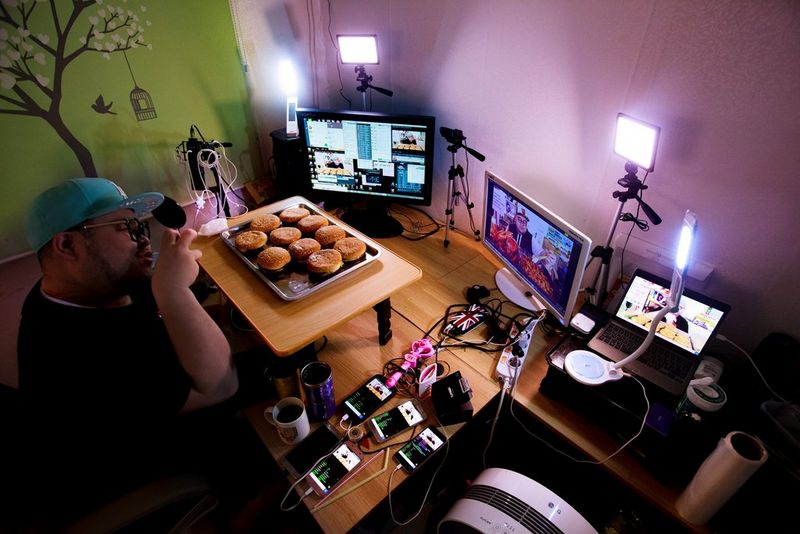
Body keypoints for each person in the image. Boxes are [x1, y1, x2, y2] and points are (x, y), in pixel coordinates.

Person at [16, 178, 274, 529]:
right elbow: (221, 386)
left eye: (139, 225)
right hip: (151, 451)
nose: (142, 239)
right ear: (67, 244)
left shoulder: (91, 284)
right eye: (124, 226)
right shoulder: (70, 357)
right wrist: (172, 289)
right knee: (284, 383)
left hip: (168, 394)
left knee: (277, 351)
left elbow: (157, 321)